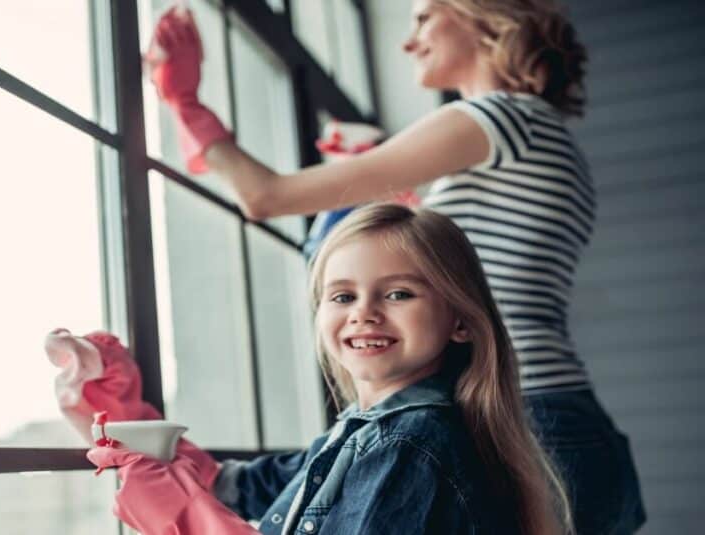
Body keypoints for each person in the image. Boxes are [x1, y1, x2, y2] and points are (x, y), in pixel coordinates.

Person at [143, 1, 645, 533]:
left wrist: (187, 105)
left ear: (488, 14)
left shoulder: (496, 116)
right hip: (562, 419)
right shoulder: (546, 140)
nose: (409, 42)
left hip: (525, 418)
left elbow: (266, 195)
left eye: (425, 16)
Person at [88, 204, 571, 534]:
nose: (364, 312)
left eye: (398, 293)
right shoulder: (359, 435)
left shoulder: (408, 446)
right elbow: (242, 485)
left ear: (461, 320)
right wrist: (123, 411)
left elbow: (209, 493)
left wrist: (188, 516)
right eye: (342, 296)